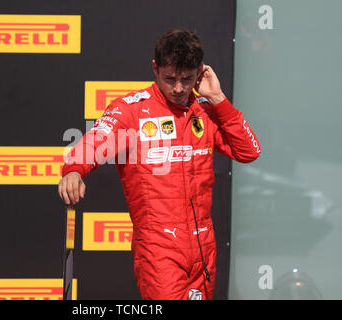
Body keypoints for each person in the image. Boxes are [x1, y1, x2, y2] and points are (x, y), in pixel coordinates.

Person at [58, 29, 261, 300]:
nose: (178, 88)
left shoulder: (207, 109)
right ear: (155, 68)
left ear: (200, 72)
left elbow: (248, 151)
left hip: (204, 247)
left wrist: (219, 99)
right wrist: (74, 170)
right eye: (169, 79)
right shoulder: (130, 110)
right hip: (158, 249)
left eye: (187, 79)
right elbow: (96, 141)